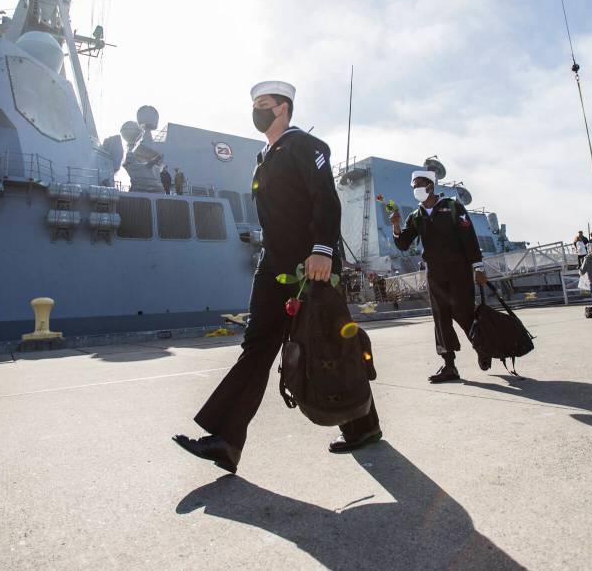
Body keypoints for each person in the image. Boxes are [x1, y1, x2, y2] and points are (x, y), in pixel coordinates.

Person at [173, 80, 382, 473]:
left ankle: (363, 426)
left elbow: (325, 197)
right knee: (257, 345)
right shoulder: (264, 156)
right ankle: (226, 440)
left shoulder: (304, 145)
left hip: (311, 265)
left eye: (263, 104)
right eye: (254, 104)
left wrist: (322, 248)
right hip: (274, 264)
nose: (257, 110)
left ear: (283, 108)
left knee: (330, 345)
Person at [392, 171, 488, 382]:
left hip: (459, 270)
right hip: (435, 273)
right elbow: (403, 244)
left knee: (463, 312)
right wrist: (396, 226)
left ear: (430, 186)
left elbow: (469, 237)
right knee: (440, 317)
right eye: (413, 186)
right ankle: (449, 365)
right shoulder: (415, 216)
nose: (415, 189)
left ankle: (482, 347)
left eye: (419, 185)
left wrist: (478, 266)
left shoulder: (453, 207)